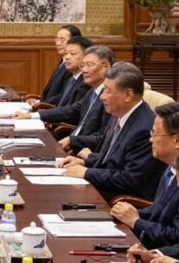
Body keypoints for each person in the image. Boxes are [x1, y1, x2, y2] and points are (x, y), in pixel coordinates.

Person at [58, 62, 165, 201]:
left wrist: (87, 173)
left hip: (121, 200)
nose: (102, 96)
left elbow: (130, 179)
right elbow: (112, 160)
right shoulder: (118, 114)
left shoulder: (144, 128)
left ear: (127, 95)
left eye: (107, 91)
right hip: (105, 187)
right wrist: (84, 162)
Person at [14, 45, 113, 149]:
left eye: (89, 65)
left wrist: (72, 141)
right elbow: (70, 110)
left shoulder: (109, 97)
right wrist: (31, 116)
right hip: (72, 147)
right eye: (82, 65)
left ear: (106, 67)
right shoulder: (92, 92)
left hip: (83, 152)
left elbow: (103, 136)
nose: (84, 70)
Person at [111, 102, 179, 249]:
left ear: (177, 140)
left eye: (154, 133)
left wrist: (136, 221)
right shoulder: (170, 167)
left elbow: (175, 236)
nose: (150, 139)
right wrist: (129, 213)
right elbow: (158, 212)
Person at [29, 25, 82, 105]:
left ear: (75, 41)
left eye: (62, 40)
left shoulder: (72, 65)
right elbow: (53, 90)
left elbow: (63, 95)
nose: (58, 43)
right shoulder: (63, 60)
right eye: (57, 39)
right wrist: (40, 100)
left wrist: (42, 103)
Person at [50, 36, 93, 107]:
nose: (67, 57)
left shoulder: (86, 81)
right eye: (66, 53)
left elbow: (74, 112)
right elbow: (61, 99)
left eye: (72, 54)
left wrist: (40, 114)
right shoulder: (69, 76)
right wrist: (39, 102)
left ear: (86, 57)